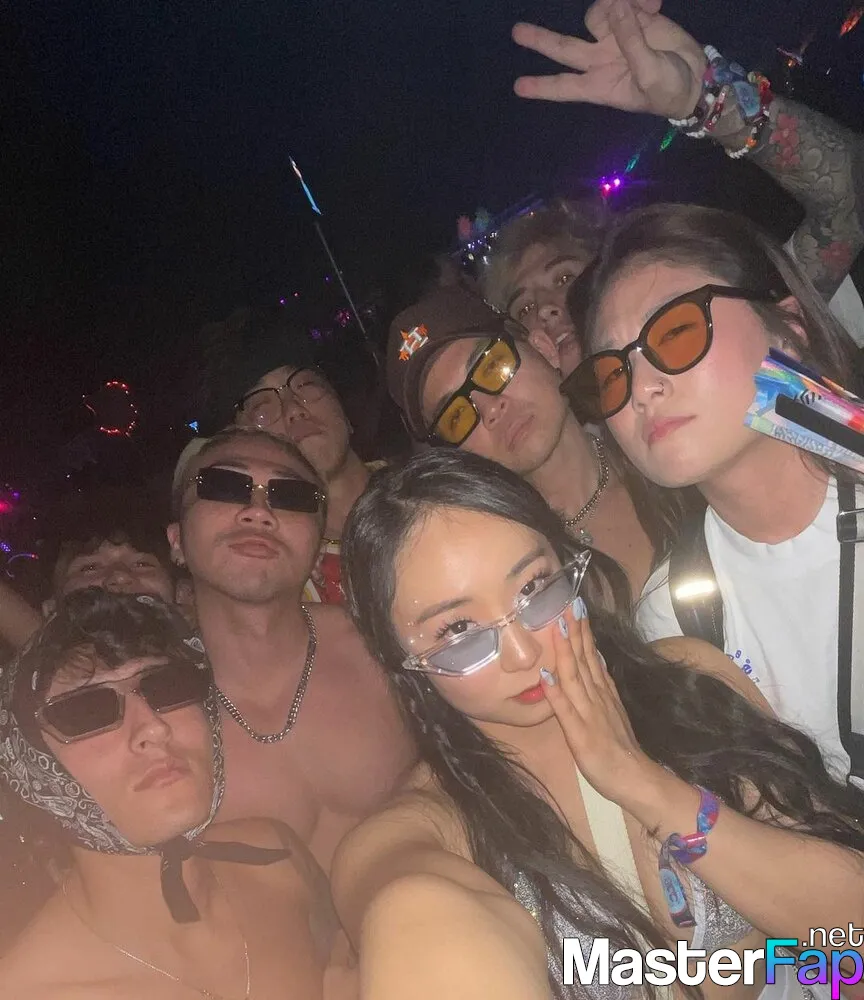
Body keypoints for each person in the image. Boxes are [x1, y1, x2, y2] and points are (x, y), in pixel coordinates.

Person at [333, 449, 864, 1000]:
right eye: (459, 630)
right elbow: (412, 917)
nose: (523, 652)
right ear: (401, 660)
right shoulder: (424, 829)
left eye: (534, 588)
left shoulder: (687, 682)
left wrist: (642, 782)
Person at [567, 200, 861, 779]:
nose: (641, 389)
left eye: (676, 332)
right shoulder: (675, 617)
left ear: (788, 331)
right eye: (613, 375)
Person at [480, 0, 864, 375]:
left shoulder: (736, 336)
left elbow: (846, 202)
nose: (545, 310)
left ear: (615, 270)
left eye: (565, 277)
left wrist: (706, 100)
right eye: (523, 309)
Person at [0, 589, 349, 997]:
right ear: (31, 763)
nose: (154, 727)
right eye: (86, 710)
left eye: (167, 686)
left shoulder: (276, 859)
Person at [167, 424, 415, 869]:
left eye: (292, 496)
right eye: (225, 486)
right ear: (176, 542)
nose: (258, 511)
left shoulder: (389, 648)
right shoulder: (146, 713)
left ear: (319, 550)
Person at [387, 285, 680, 598]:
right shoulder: (511, 577)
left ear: (543, 349)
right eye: (455, 416)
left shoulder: (668, 447)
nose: (490, 409)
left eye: (491, 366)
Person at [196, 306, 381, 603]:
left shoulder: (428, 487)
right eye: (262, 406)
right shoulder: (274, 580)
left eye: (305, 385)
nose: (294, 409)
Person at [0, 488, 180, 653]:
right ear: (52, 609)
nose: (119, 575)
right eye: (91, 568)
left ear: (183, 595)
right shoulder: (40, 668)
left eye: (142, 564)